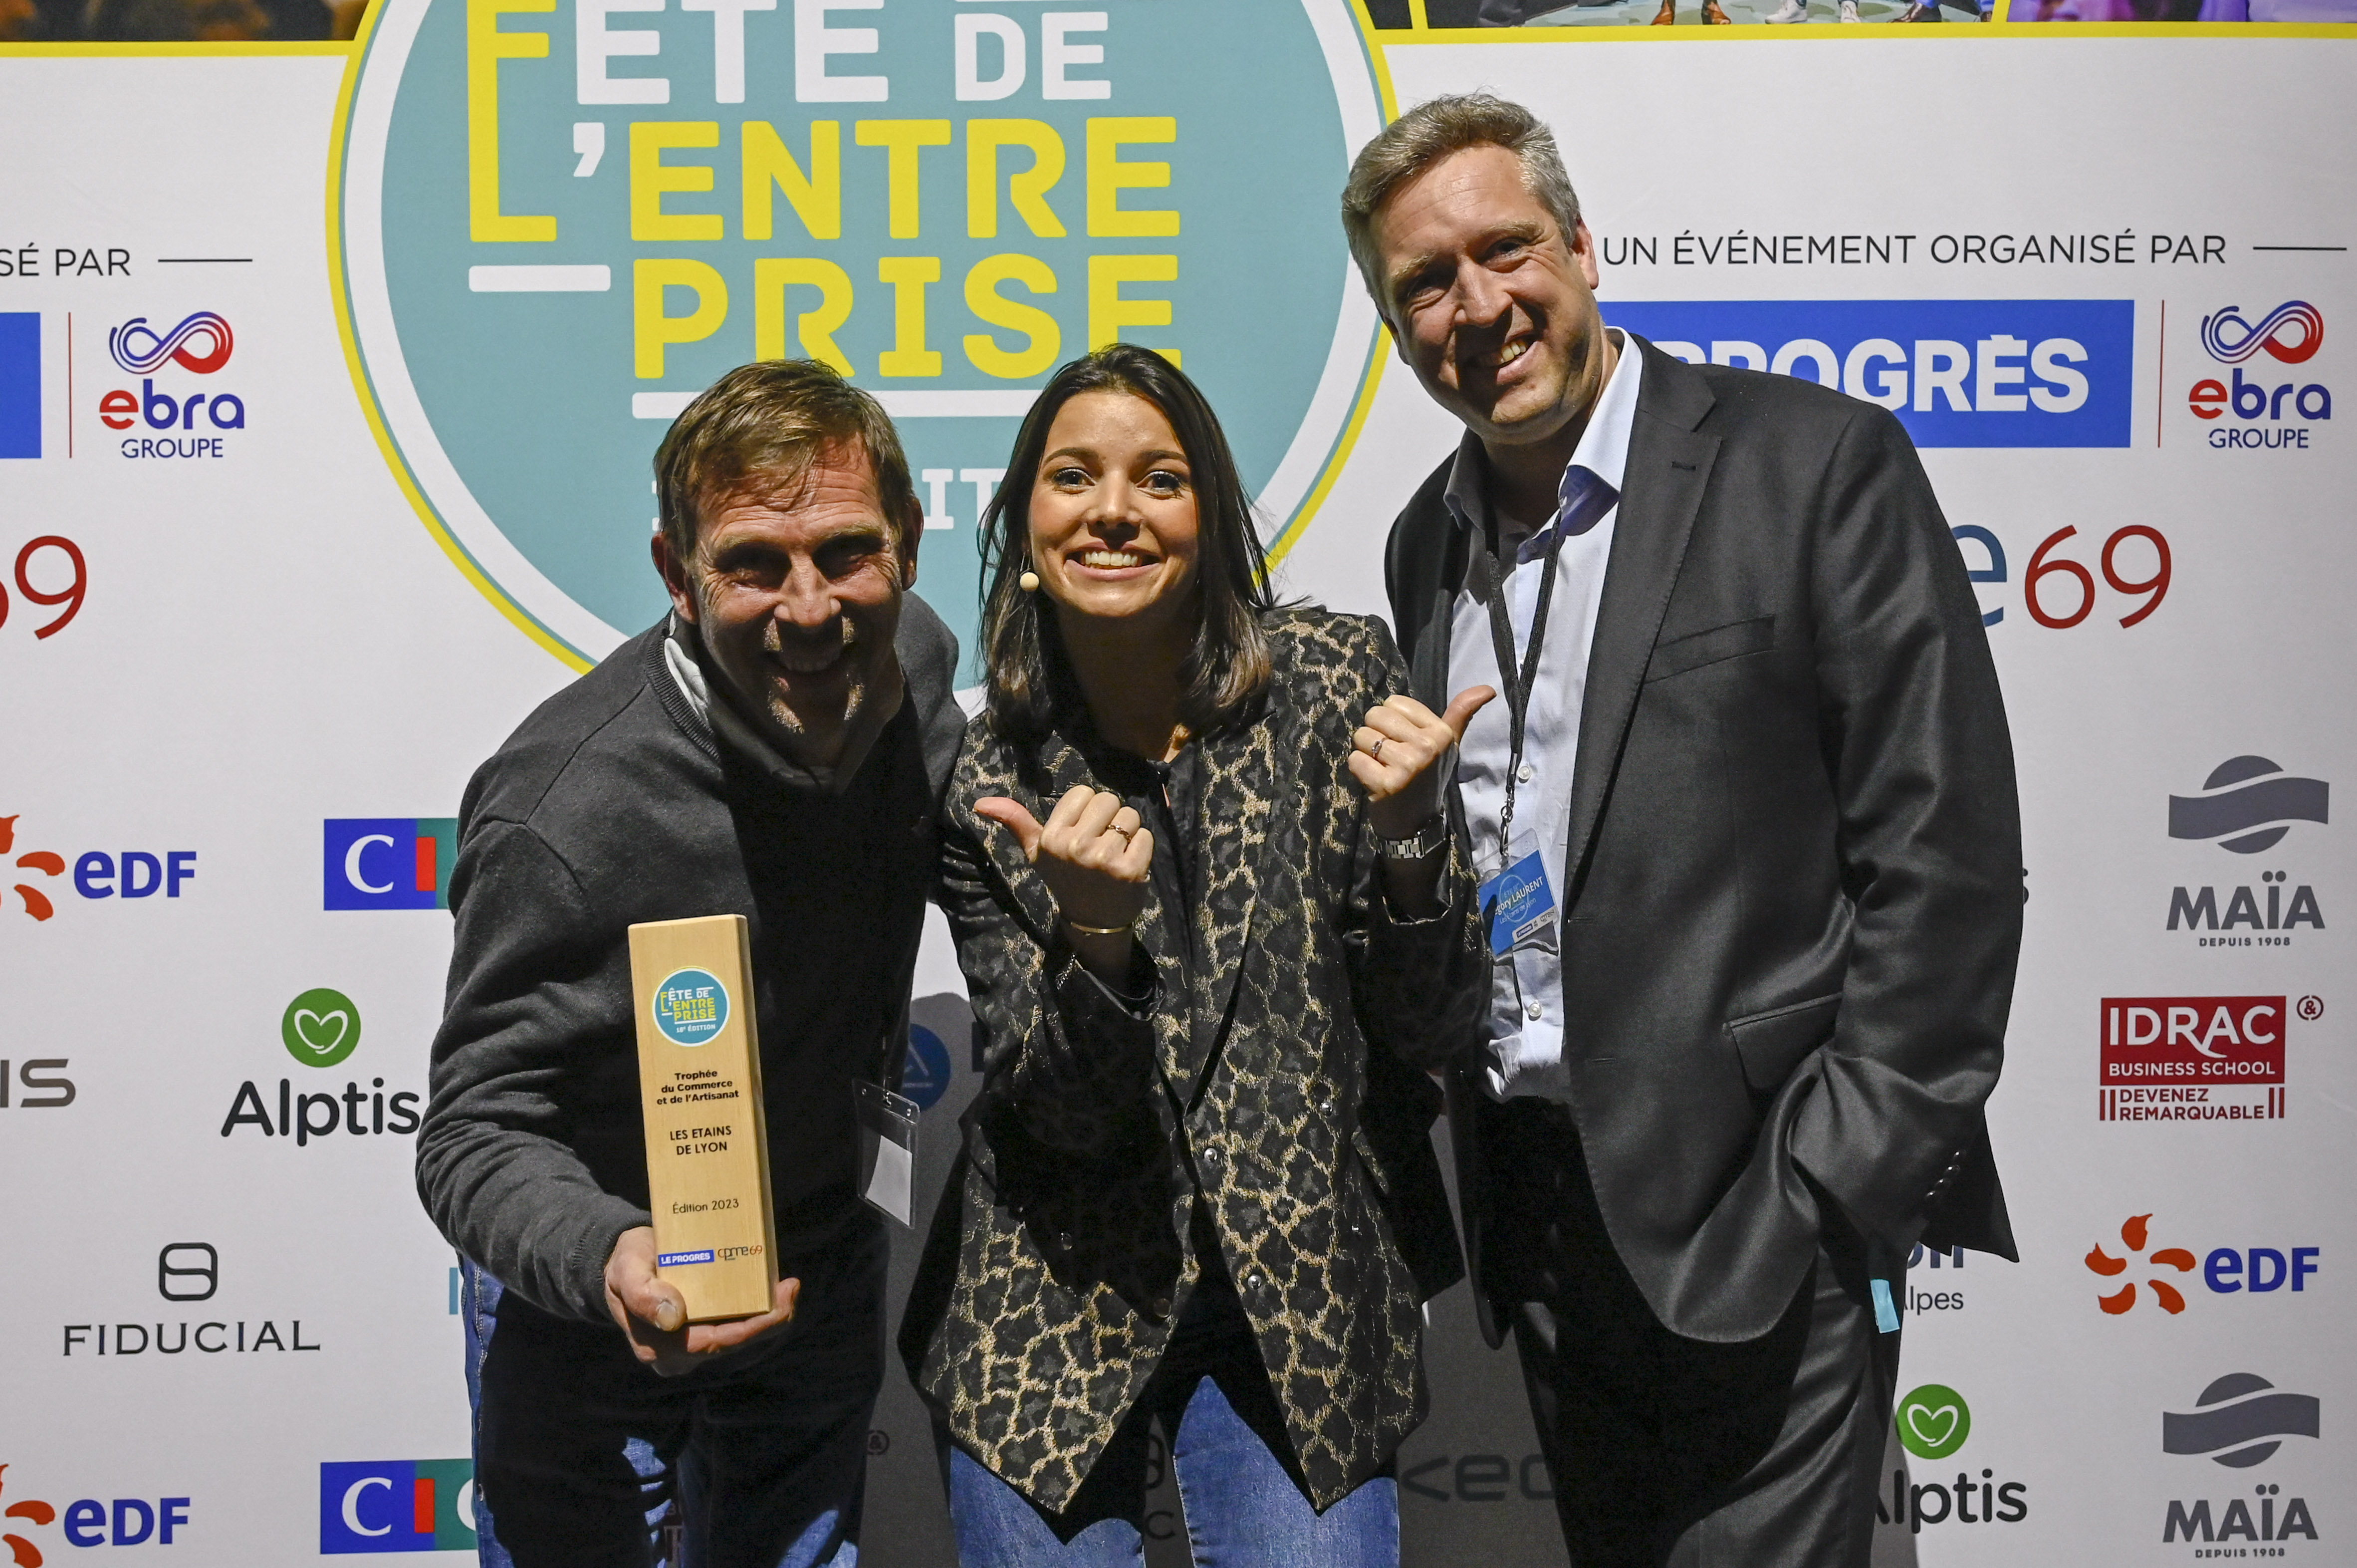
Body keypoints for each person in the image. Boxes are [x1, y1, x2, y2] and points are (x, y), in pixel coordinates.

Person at [1340, 95, 2022, 1566]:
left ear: (1583, 246)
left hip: (1762, 1208)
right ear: (1395, 331)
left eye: (1506, 249)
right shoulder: (1424, 541)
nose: (1478, 305)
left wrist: (1834, 1183)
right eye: (1425, 283)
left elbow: (1945, 859)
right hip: (1543, 1221)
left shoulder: (1810, 463)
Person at [899, 344, 1491, 1566]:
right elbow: (1065, 1116)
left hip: (1299, 1296)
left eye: (1158, 480)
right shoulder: (988, 776)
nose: (1113, 510)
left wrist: (1410, 842)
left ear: (1211, 521)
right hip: (1053, 1302)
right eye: (1074, 477)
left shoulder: (1334, 683)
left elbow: (1431, 1032)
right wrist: (1094, 942)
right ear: (1023, 528)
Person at [417, 360, 964, 1568]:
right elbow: (475, 1129)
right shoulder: (565, 812)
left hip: (818, 1262)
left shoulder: (915, 671)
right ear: (676, 573)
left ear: (910, 546)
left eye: (847, 552)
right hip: (597, 1305)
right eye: (754, 564)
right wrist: (607, 1258)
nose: (810, 610)